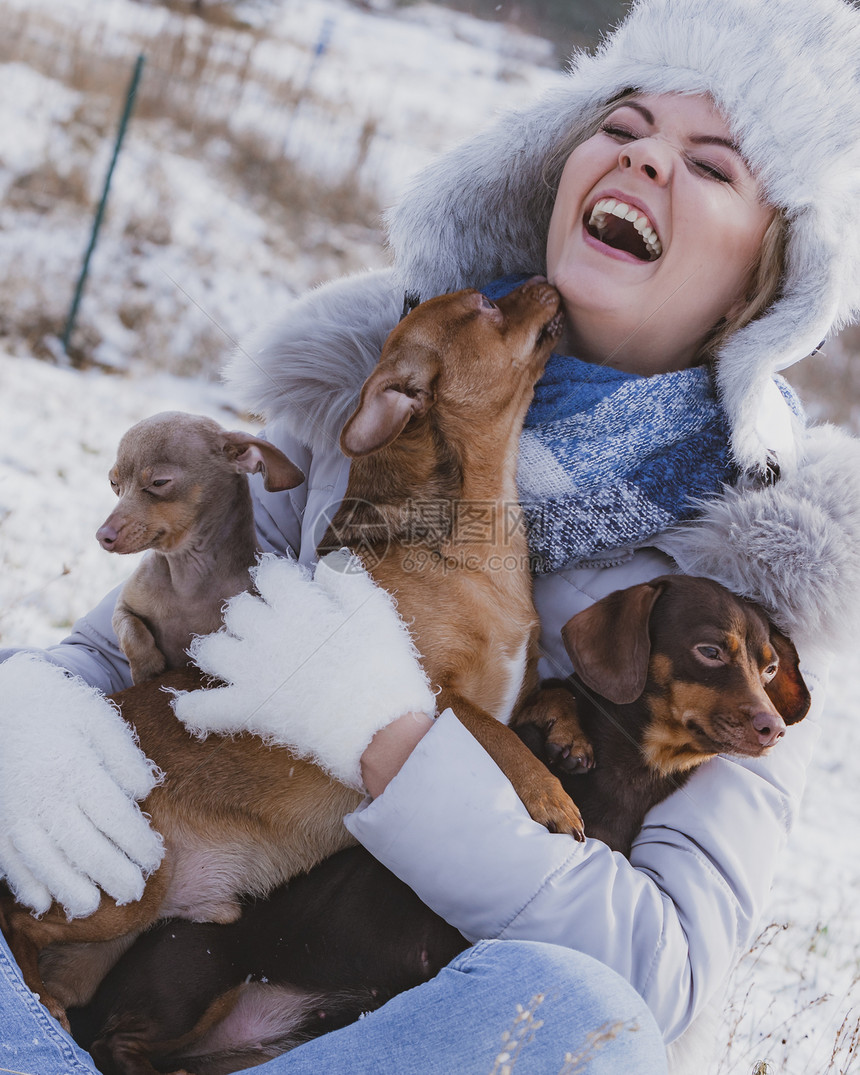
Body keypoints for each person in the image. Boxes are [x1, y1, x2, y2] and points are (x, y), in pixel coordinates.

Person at [2, 0, 860, 1071]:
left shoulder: (728, 601)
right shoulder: (366, 414)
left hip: (381, 1039)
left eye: (711, 164)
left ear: (762, 284)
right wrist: (22, 718)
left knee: (570, 1021)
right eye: (622, 127)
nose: (644, 161)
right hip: (125, 990)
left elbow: (655, 982)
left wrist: (398, 745)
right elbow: (108, 656)